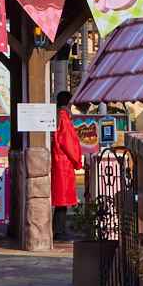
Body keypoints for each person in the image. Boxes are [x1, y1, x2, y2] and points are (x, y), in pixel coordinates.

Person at [50, 96, 84, 235]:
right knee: (62, 200)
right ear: (69, 103)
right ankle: (59, 231)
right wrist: (77, 161)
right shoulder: (64, 118)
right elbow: (69, 143)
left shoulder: (56, 116)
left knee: (60, 199)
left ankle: (58, 229)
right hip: (63, 163)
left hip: (58, 161)